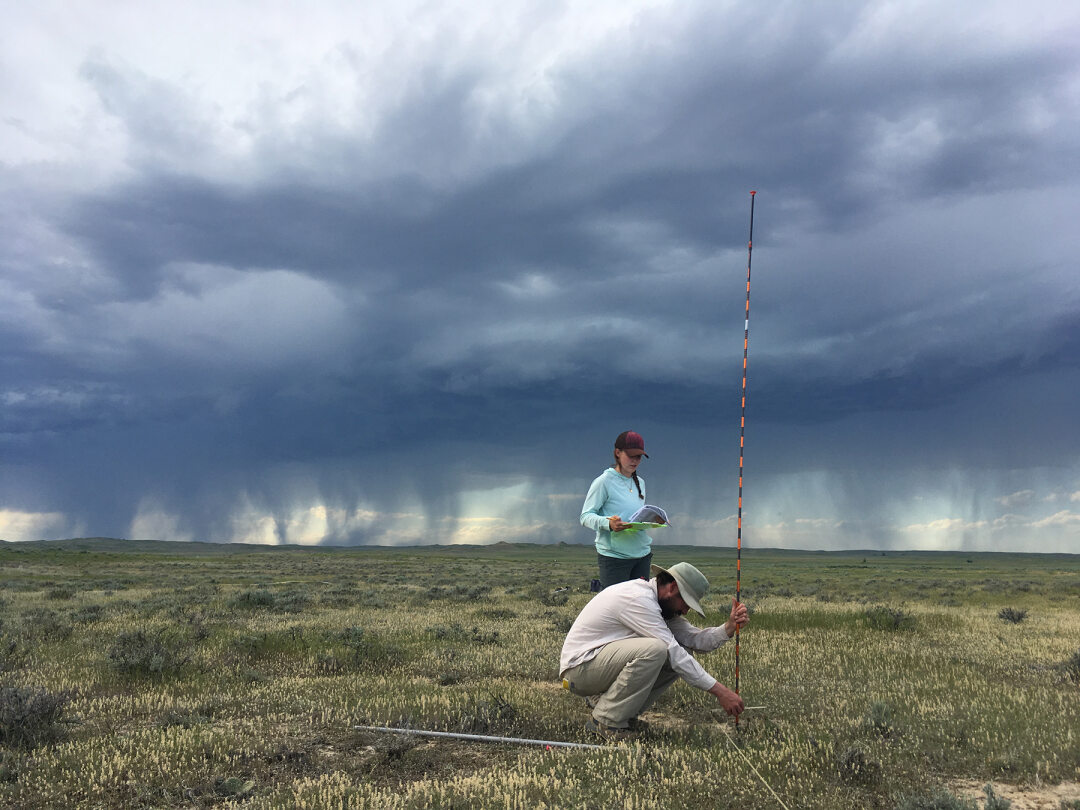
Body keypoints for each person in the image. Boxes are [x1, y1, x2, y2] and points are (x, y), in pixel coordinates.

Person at [559, 561, 749, 740]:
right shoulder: (638, 599)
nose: (685, 611)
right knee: (657, 649)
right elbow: (672, 651)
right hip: (579, 671)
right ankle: (606, 721)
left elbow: (694, 640)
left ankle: (624, 717)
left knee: (678, 651)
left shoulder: (658, 604)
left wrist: (729, 627)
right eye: (686, 603)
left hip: (596, 667)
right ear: (672, 588)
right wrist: (721, 692)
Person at [581, 430, 659, 589]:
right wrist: (608, 524)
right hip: (614, 559)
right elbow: (585, 517)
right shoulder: (603, 482)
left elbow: (636, 516)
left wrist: (655, 520)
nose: (635, 460)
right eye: (631, 455)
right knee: (616, 610)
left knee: (640, 607)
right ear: (617, 453)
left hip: (642, 555)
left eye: (639, 457)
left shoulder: (641, 483)